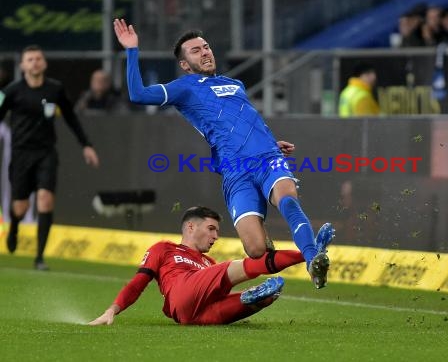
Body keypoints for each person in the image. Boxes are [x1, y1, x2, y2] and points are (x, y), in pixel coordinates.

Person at [113, 19, 334, 289]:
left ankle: (313, 260)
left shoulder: (235, 84)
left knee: (287, 198)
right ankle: (307, 251)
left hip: (266, 157)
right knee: (256, 250)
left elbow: (243, 120)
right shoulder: (184, 88)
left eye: (206, 47)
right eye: (196, 51)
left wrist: (269, 142)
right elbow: (137, 94)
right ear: (184, 64)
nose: (205, 52)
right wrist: (132, 50)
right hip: (234, 171)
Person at [88, 206, 333, 325]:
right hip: (180, 293)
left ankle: (252, 298)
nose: (216, 236)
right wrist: (112, 310)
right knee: (245, 266)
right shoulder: (164, 249)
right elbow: (138, 282)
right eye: (211, 229)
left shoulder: (208, 263)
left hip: (191, 316)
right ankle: (309, 255)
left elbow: (214, 298)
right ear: (190, 227)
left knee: (267, 297)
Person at [0, 45, 100, 270]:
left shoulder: (55, 89)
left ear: (44, 63)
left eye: (38, 59)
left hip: (46, 153)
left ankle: (39, 258)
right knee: (20, 207)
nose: (34, 62)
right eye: (30, 59)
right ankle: (14, 225)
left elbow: (71, 118)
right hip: (21, 155)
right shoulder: (11, 91)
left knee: (45, 199)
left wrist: (86, 145)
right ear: (22, 65)